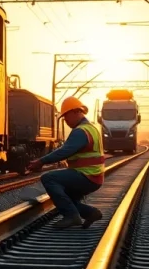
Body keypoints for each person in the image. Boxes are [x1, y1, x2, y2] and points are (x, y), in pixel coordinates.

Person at [25, 96, 106, 229]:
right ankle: (91, 213)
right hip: (93, 175)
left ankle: (71, 216)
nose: (66, 120)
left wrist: (41, 161)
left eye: (66, 116)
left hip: (86, 176)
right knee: (67, 196)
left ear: (76, 112)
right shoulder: (91, 128)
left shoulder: (81, 131)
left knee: (48, 178)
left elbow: (64, 151)